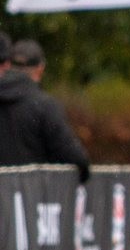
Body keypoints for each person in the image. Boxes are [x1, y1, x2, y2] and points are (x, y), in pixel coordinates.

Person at [0, 34, 91, 183]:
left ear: (9, 64)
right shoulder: (43, 105)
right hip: (32, 197)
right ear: (40, 69)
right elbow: (72, 155)